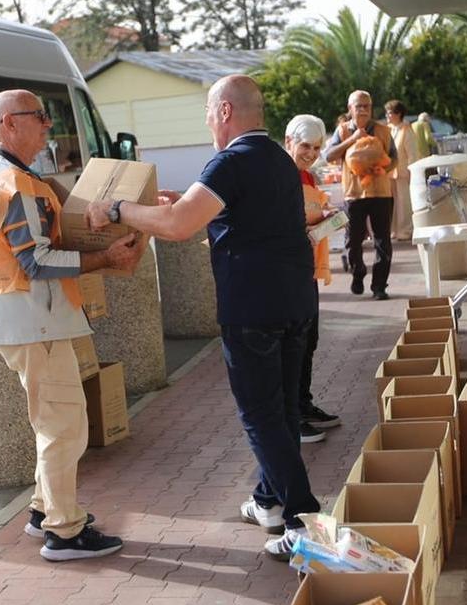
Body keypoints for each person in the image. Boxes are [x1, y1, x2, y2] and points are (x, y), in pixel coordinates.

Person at [84, 75, 320, 559]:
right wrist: (185, 205)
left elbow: (176, 226)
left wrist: (117, 209)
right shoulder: (278, 158)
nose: (208, 121)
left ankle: (303, 520)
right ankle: (268, 500)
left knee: (261, 415)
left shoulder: (230, 161)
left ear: (225, 111)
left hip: (252, 308)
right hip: (295, 302)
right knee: (282, 410)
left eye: (209, 112)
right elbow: (234, 215)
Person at [0, 89, 141, 562]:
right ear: (9, 124)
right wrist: (105, 257)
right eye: (39, 116)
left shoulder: (2, 178)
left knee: (52, 422)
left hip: (24, 321)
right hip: (35, 323)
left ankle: (44, 511)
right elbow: (37, 261)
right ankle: (63, 532)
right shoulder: (16, 184)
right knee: (64, 428)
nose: (48, 124)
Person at [284, 114, 341, 442]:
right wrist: (317, 219)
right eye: (305, 146)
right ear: (289, 141)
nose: (311, 153)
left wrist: (326, 217)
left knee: (308, 340)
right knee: (293, 344)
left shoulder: (306, 175)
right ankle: (292, 416)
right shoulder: (279, 175)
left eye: (317, 148)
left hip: (306, 270)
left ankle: (302, 405)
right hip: (286, 272)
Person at [323, 90, 397, 300]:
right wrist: (353, 139)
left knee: (382, 241)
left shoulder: (383, 130)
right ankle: (358, 271)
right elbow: (328, 155)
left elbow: (394, 157)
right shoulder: (343, 131)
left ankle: (379, 286)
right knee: (353, 241)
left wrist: (386, 168)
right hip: (354, 194)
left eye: (367, 106)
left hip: (381, 193)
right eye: (359, 106)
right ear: (350, 109)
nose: (363, 109)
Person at [384, 100, 418, 242]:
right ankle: (394, 230)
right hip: (390, 173)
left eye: (390, 113)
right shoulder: (389, 129)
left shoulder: (406, 130)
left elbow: (412, 154)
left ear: (398, 114)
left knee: (404, 203)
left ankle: (405, 231)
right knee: (393, 203)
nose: (387, 115)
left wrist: (411, 172)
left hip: (403, 173)